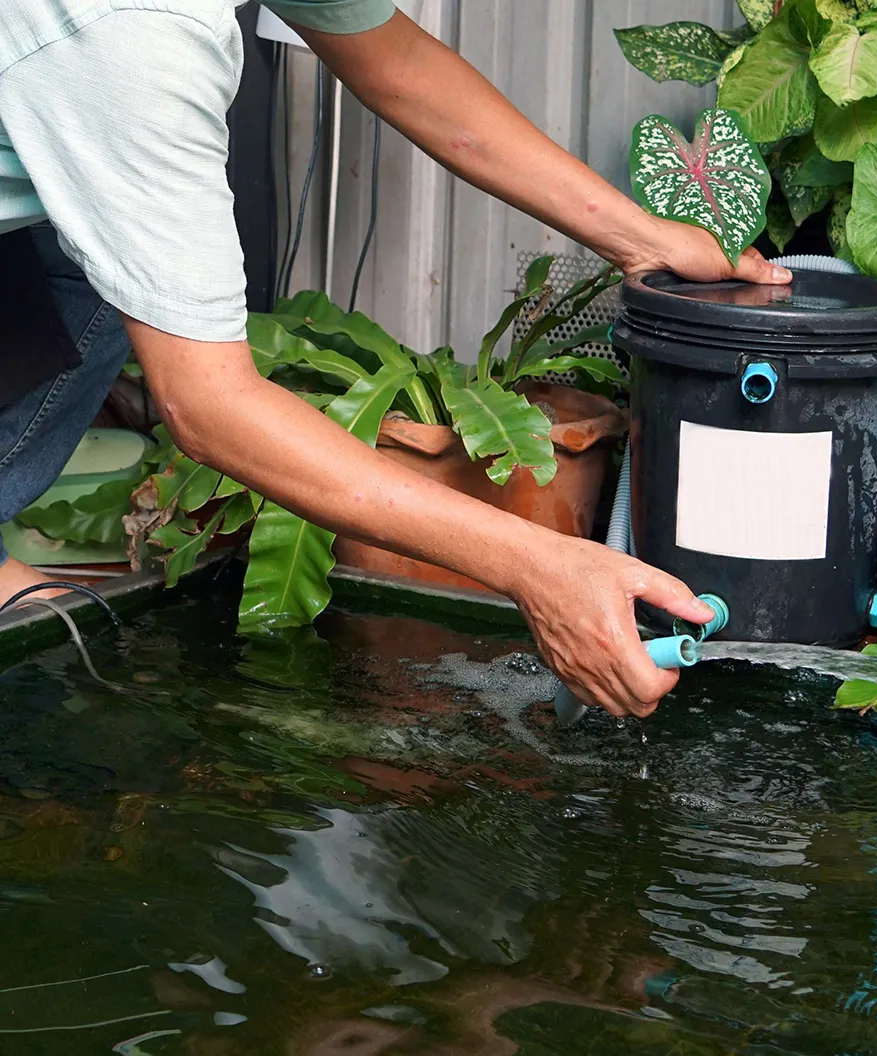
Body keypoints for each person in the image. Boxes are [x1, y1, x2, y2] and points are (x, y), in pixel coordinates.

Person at [0, 0, 790, 718]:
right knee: (127, 275)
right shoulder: (133, 34)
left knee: (108, 272)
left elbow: (398, 64)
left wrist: (642, 238)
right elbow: (209, 404)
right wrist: (537, 568)